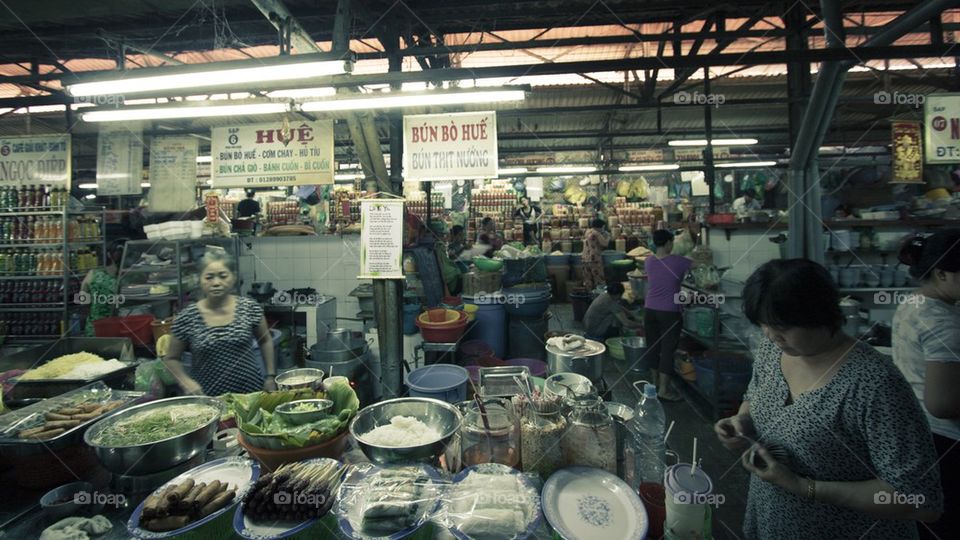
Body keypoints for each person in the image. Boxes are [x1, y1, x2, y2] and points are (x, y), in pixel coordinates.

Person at [715, 259, 942, 539]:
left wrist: (804, 487)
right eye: (764, 325)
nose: (772, 336)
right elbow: (754, 395)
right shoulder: (771, 351)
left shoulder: (874, 383)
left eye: (782, 327)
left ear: (819, 315)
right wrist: (742, 423)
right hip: (773, 521)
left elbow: (918, 500)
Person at [892, 230, 960, 539]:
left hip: (918, 432)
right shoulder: (945, 324)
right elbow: (942, 404)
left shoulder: (915, 302)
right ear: (942, 273)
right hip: (946, 442)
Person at [163, 250, 276, 396]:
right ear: (200, 280)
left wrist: (270, 376)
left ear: (233, 277)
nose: (216, 283)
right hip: (208, 396)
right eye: (209, 277)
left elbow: (265, 340)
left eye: (223, 276)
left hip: (251, 392)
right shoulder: (187, 317)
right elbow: (171, 359)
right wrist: (186, 382)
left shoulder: (250, 308)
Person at [643, 229, 691, 401]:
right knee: (667, 350)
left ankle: (653, 385)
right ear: (669, 243)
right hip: (669, 311)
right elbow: (700, 264)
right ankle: (664, 390)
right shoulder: (679, 261)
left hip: (650, 309)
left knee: (653, 347)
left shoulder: (649, 261)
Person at [80, 239, 126, 336]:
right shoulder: (131, 276)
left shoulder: (93, 274)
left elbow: (83, 301)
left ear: (109, 255)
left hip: (95, 329)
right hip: (123, 329)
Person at [581, 218, 610, 291]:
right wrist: (608, 236)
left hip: (585, 258)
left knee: (588, 280)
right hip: (594, 259)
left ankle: (589, 296)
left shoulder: (587, 231)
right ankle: (600, 297)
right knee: (599, 279)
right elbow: (605, 244)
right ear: (601, 226)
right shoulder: (596, 233)